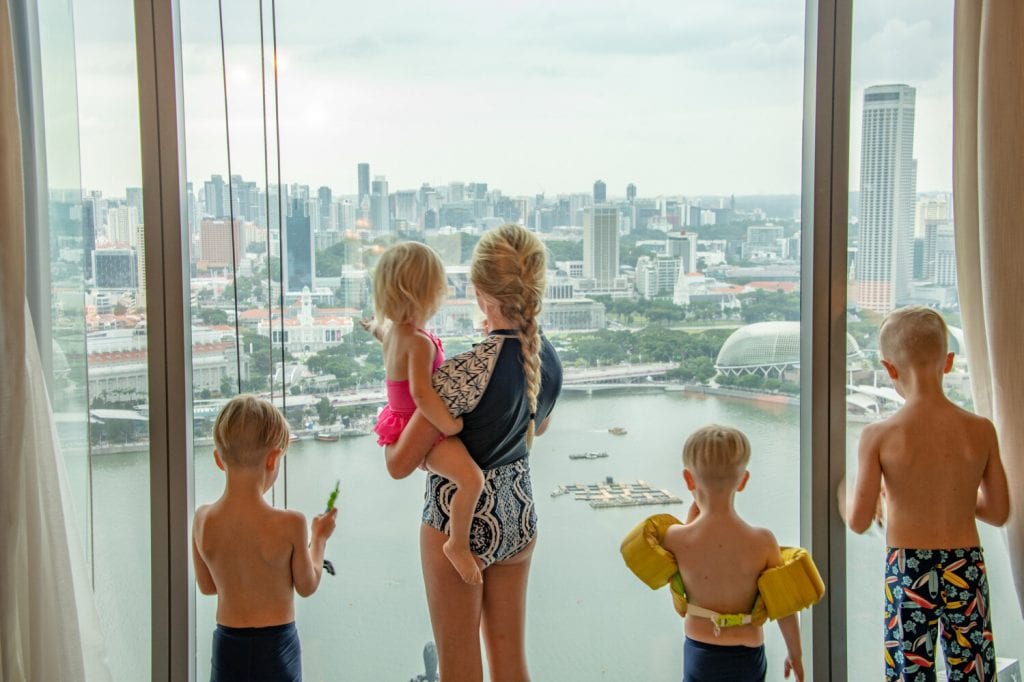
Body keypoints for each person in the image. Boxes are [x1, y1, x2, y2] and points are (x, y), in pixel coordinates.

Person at [384, 224, 563, 682]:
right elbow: (535, 428)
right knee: (511, 666)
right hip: (518, 517)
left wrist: (391, 411)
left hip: (457, 526)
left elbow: (399, 464)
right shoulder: (547, 357)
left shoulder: (464, 372)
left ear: (479, 291)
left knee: (460, 670)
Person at [847, 305, 1009, 681]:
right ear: (948, 361)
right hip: (964, 566)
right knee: (973, 671)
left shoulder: (879, 435)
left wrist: (852, 494)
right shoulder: (980, 429)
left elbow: (857, 521)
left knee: (910, 672)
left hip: (908, 568)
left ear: (889, 369)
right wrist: (956, 495)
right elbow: (998, 512)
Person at [192, 395, 338, 682]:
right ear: (273, 458)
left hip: (227, 645)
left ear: (219, 459)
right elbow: (307, 586)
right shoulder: (290, 523)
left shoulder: (202, 519)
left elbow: (208, 587)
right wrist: (319, 539)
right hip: (276, 647)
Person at [363, 241, 485, 584]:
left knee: (462, 478)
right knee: (472, 480)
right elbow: (422, 392)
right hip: (425, 433)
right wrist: (451, 424)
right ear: (424, 294)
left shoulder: (394, 334)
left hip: (397, 424)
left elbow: (380, 331)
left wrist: (371, 326)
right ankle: (457, 545)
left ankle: (455, 540)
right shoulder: (420, 342)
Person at [659, 425, 805, 682]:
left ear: (688, 479)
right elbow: (784, 606)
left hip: (700, 653)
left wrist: (694, 515)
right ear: (743, 480)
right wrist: (796, 654)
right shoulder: (762, 541)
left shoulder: (676, 538)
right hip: (747, 654)